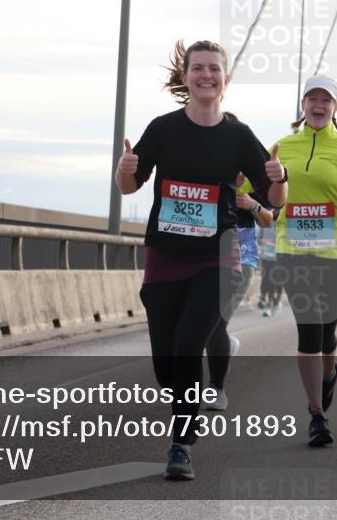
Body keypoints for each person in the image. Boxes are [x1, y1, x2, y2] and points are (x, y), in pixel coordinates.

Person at [116, 40, 287, 480]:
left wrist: (279, 179)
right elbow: (130, 187)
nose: (206, 75)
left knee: (190, 344)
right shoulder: (164, 128)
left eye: (214, 69)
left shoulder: (238, 135)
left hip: (218, 256)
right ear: (186, 76)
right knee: (165, 363)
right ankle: (187, 405)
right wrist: (125, 166)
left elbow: (273, 202)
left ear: (225, 80)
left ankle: (181, 443)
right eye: (198, 68)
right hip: (165, 254)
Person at [273, 75, 337, 447]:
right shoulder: (282, 147)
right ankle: (317, 414)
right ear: (302, 105)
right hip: (293, 249)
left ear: (335, 107)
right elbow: (258, 191)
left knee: (327, 333)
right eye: (312, 98)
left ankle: (329, 374)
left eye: (326, 100)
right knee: (308, 331)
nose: (318, 105)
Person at [204, 170, 274, 411]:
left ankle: (217, 388)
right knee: (199, 324)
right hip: (207, 258)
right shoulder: (213, 177)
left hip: (242, 261)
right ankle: (226, 346)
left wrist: (253, 205)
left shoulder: (254, 185)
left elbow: (267, 220)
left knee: (215, 324)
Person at [257, 219, 283, 316]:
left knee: (277, 281)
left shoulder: (283, 221)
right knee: (266, 279)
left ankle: (273, 303)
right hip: (266, 257)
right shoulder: (265, 220)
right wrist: (263, 242)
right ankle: (265, 301)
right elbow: (259, 238)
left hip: (279, 258)